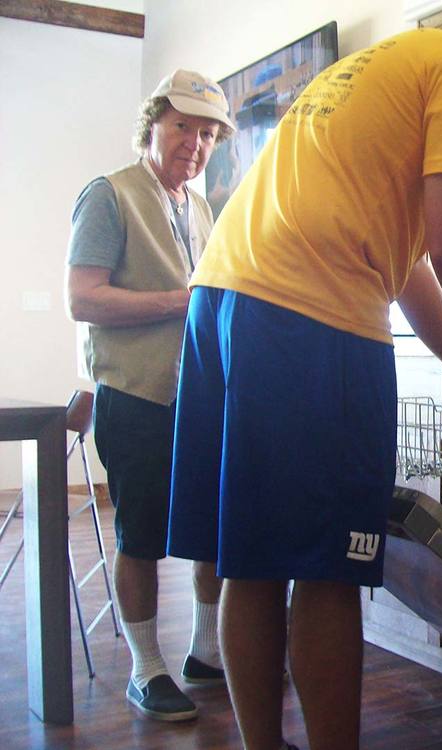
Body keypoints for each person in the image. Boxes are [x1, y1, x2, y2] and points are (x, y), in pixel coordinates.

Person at [166, 10, 442, 750]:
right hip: (309, 315)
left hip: (223, 299)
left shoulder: (390, 64)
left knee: (250, 562)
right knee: (332, 567)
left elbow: (413, 264)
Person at [64, 69, 236, 722]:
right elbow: (82, 298)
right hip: (135, 396)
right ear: (153, 126)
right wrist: (180, 301)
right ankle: (145, 669)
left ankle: (206, 651)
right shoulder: (108, 195)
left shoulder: (199, 206)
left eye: (208, 133)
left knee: (211, 532)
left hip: (198, 397)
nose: (195, 142)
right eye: (183, 126)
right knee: (140, 536)